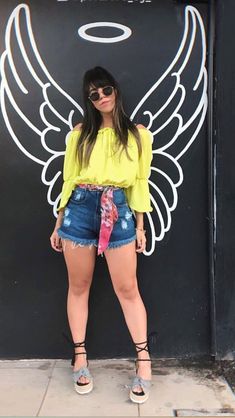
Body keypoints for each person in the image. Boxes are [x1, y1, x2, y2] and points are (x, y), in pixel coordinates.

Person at [50, 66, 154, 404]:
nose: (101, 98)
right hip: (79, 209)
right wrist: (58, 222)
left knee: (128, 288)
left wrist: (140, 226)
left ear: (115, 90)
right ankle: (79, 357)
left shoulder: (138, 134)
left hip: (119, 210)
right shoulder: (78, 135)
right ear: (89, 100)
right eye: (93, 94)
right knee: (78, 287)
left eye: (105, 90)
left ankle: (144, 361)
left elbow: (140, 180)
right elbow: (69, 179)